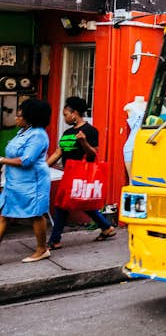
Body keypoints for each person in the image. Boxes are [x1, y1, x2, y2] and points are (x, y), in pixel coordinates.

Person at [46, 97, 115, 248]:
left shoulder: (90, 131)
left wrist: (83, 141)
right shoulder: (67, 132)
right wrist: (44, 167)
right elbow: (58, 153)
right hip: (69, 173)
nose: (65, 118)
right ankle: (106, 227)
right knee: (82, 202)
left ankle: (54, 240)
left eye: (66, 115)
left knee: (61, 205)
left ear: (75, 113)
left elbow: (93, 154)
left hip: (81, 175)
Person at [0, 98, 53, 262]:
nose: (16, 118)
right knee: (4, 214)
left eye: (19, 115)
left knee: (36, 215)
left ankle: (42, 249)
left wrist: (1, 160)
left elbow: (26, 161)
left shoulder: (38, 135)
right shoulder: (22, 132)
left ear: (30, 117)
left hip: (33, 182)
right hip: (14, 182)